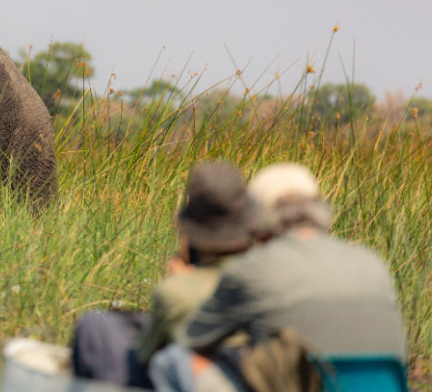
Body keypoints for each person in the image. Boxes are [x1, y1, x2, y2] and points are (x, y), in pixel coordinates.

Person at [150, 162, 407, 391]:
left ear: (258, 218)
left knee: (174, 359)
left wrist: (184, 281)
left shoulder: (253, 269)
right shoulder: (373, 263)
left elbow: (190, 338)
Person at [71, 161, 252, 388]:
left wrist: (181, 282)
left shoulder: (176, 293)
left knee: (96, 327)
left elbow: (144, 354)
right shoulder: (267, 279)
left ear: (189, 232)